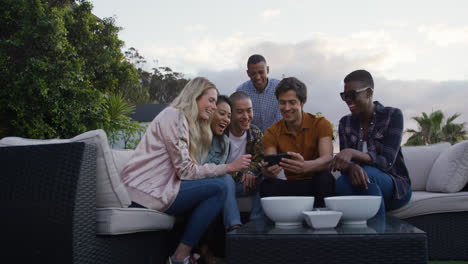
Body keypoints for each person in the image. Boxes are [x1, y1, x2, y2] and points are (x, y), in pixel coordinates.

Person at [119, 77, 251, 264]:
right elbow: (186, 171)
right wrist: (229, 167)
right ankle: (180, 257)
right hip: (145, 192)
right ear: (195, 96)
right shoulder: (173, 116)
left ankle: (194, 253)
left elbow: (189, 170)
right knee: (220, 186)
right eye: (211, 100)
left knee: (215, 189)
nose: (214, 107)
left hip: (162, 187)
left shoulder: (191, 124)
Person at [330, 69, 412, 218]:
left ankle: (374, 238)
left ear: (368, 93)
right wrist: (351, 166)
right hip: (361, 184)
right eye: (344, 95)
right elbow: (344, 166)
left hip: (394, 187)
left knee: (367, 175)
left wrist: (353, 153)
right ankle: (367, 237)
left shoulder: (392, 115)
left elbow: (386, 162)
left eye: (352, 94)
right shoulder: (345, 122)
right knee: (342, 183)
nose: (348, 100)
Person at [261, 77, 335, 208]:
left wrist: (305, 166)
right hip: (289, 185)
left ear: (303, 102)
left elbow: (328, 159)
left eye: (292, 102)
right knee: (267, 185)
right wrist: (268, 171)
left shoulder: (321, 124)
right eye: (282, 102)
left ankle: (322, 221)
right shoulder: (271, 132)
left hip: (314, 183)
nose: (287, 108)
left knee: (325, 178)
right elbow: (269, 164)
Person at [223, 91, 265, 230]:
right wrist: (241, 174)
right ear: (231, 113)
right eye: (240, 112)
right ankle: (234, 227)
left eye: (249, 111)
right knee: (226, 181)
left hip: (246, 183)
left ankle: (256, 225)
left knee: (267, 179)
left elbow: (261, 159)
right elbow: (214, 166)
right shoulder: (220, 134)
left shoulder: (255, 132)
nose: (246, 116)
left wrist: (251, 171)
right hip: (226, 185)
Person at [236, 54, 282, 133]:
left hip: (278, 137)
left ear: (267, 70)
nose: (258, 77)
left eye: (261, 72)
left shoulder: (280, 88)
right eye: (253, 73)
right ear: (248, 73)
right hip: (252, 141)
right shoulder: (241, 91)